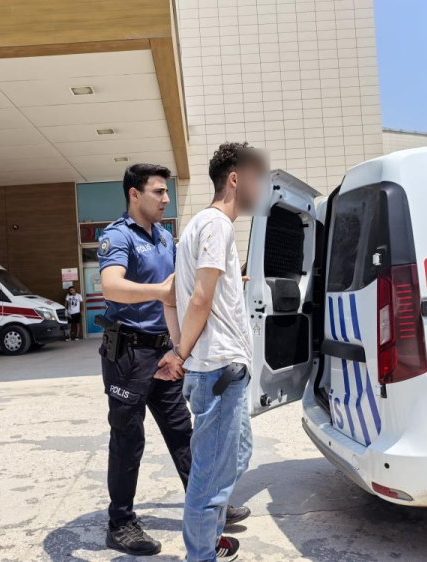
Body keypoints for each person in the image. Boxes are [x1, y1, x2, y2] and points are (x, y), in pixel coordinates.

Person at [97, 164, 250, 556]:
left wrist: (228, 280)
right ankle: (120, 523)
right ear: (134, 194)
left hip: (165, 351)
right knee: (128, 437)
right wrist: (158, 291)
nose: (166, 199)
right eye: (158, 192)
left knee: (183, 432)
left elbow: (188, 284)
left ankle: (207, 508)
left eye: (166, 192)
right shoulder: (118, 235)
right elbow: (111, 286)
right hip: (128, 353)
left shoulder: (165, 238)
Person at [158, 142, 266, 562]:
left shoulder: (196, 228)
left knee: (237, 454)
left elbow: (173, 296)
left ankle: (208, 537)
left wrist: (179, 348)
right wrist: (180, 353)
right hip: (217, 370)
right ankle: (200, 554)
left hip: (220, 369)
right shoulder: (217, 225)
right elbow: (199, 298)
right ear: (235, 179)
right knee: (210, 477)